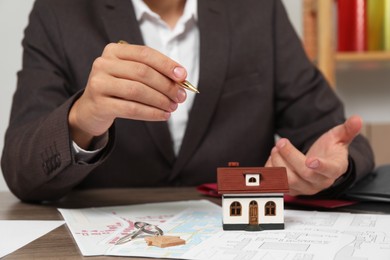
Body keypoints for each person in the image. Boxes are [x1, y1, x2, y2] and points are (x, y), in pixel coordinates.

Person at [1, 0, 374, 202]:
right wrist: (82, 119)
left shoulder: (258, 9)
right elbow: (22, 171)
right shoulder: (58, 11)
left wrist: (332, 165)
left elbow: (334, 136)